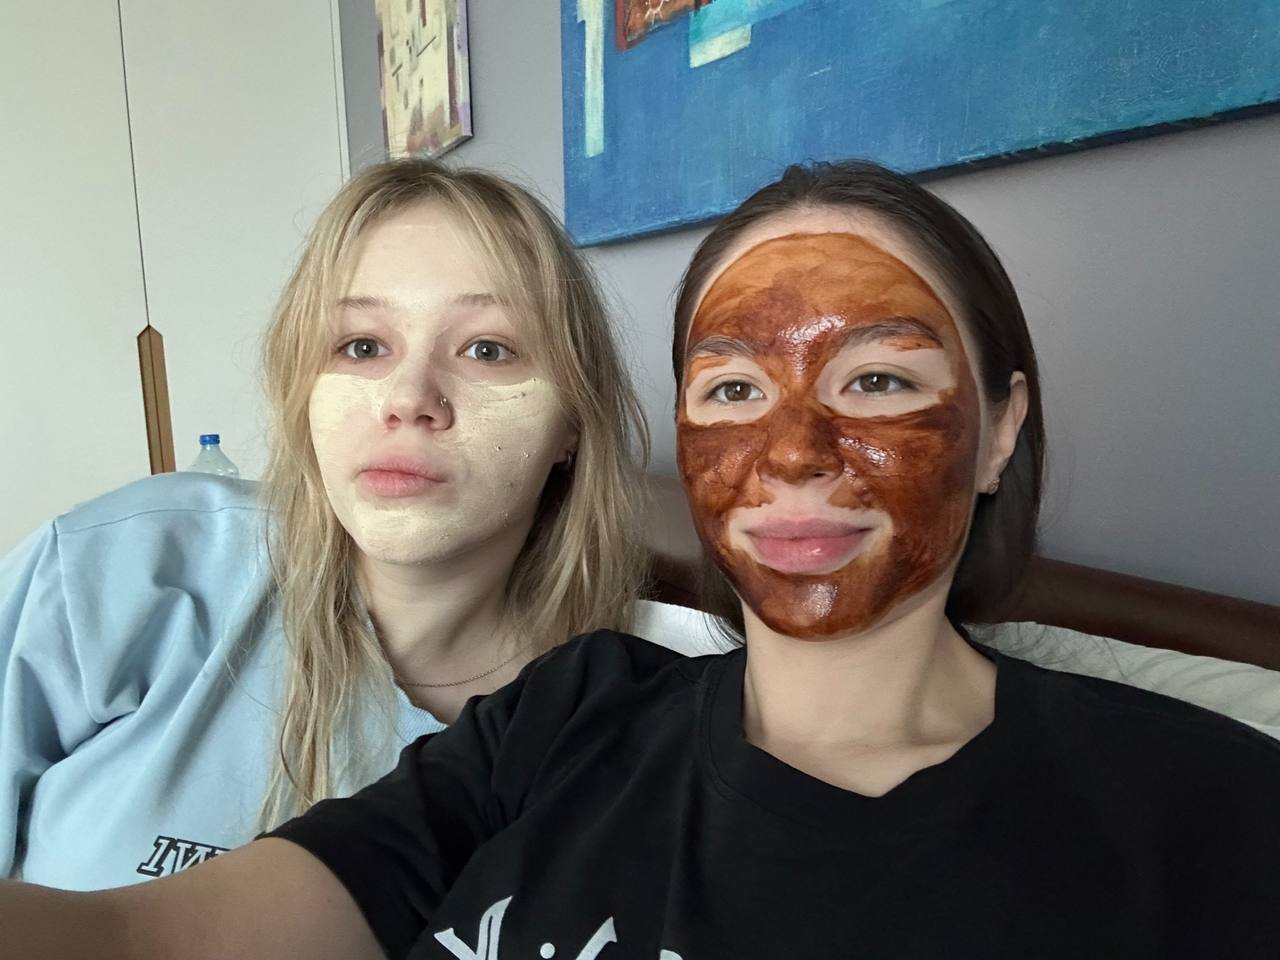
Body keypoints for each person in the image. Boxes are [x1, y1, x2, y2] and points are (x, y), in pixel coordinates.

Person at [6, 160, 1280, 958]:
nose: (791, 454)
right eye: (731, 390)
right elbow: (142, 939)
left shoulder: (1210, 808)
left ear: (998, 428)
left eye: (877, 380)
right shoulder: (567, 716)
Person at [0, 158, 648, 889]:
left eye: (487, 349)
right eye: (362, 346)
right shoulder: (124, 568)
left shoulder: (612, 732)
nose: (408, 398)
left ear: (573, 423)